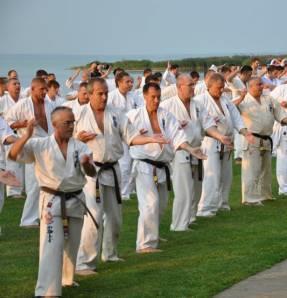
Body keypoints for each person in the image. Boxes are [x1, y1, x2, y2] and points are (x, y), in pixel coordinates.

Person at [75, 78, 169, 275]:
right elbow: (63, 137)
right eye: (99, 93)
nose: (104, 97)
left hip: (112, 169)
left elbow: (132, 136)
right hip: (91, 171)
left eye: (106, 93)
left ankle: (110, 253)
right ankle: (84, 263)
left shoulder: (116, 114)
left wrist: (150, 138)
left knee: (116, 217)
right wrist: (77, 138)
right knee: (93, 216)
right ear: (90, 94)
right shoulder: (79, 114)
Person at [9, 107, 96, 297]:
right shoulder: (40, 145)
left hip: (75, 199)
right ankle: (47, 291)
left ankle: (66, 279)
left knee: (72, 244)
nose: (72, 126)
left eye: (73, 122)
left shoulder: (80, 146)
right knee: (51, 244)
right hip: (51, 201)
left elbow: (92, 173)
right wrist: (26, 136)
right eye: (67, 122)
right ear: (55, 124)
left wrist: (87, 164)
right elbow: (13, 155)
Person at [128, 82, 206, 252]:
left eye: (158, 97)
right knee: (150, 203)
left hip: (162, 166)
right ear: (144, 96)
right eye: (152, 97)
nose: (156, 101)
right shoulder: (134, 116)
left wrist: (191, 149)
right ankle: (145, 245)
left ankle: (152, 235)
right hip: (144, 165)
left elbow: (178, 136)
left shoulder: (166, 116)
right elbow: (122, 134)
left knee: (161, 204)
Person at [160, 74, 231, 230]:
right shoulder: (167, 106)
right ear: (179, 87)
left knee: (197, 189)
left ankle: (190, 217)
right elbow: (161, 129)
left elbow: (208, 125)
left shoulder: (197, 105)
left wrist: (220, 136)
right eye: (189, 85)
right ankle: (178, 225)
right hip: (179, 151)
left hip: (197, 150)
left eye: (193, 85)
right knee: (184, 190)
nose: (193, 88)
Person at [195, 73, 253, 216]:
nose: (221, 90)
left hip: (227, 142)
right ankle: (205, 208)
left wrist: (245, 133)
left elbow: (236, 118)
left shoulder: (226, 100)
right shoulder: (199, 101)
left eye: (222, 88)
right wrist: (217, 135)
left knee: (226, 176)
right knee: (212, 175)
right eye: (218, 88)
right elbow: (199, 124)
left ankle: (222, 203)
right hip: (210, 142)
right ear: (209, 86)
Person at [234, 77, 287, 205]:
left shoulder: (268, 98)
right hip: (252, 138)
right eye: (258, 85)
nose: (262, 86)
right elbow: (230, 108)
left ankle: (265, 194)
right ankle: (250, 198)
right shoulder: (243, 100)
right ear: (250, 86)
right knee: (251, 170)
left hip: (267, 139)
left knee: (265, 169)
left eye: (261, 84)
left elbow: (279, 112)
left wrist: (286, 120)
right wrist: (240, 98)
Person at [5, 77, 56, 227]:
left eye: (46, 89)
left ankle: (45, 215)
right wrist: (24, 123)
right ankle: (27, 220)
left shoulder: (49, 103)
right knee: (34, 185)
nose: (44, 92)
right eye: (42, 89)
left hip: (49, 144)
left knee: (50, 183)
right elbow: (7, 122)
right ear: (32, 89)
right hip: (31, 146)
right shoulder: (23, 104)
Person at [107, 71, 143, 200]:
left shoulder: (135, 96)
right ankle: (122, 191)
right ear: (119, 83)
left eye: (131, 82)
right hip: (119, 134)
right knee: (125, 164)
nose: (130, 84)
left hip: (135, 132)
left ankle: (129, 189)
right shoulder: (111, 97)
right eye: (127, 82)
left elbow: (141, 111)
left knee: (136, 161)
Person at [1, 78, 25, 198]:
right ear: (7, 87)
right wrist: (19, 123)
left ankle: (20, 188)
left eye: (19, 84)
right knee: (12, 162)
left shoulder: (23, 101)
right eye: (14, 84)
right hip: (7, 135)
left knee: (21, 163)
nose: (17, 86)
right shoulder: (3, 100)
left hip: (20, 134)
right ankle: (13, 192)